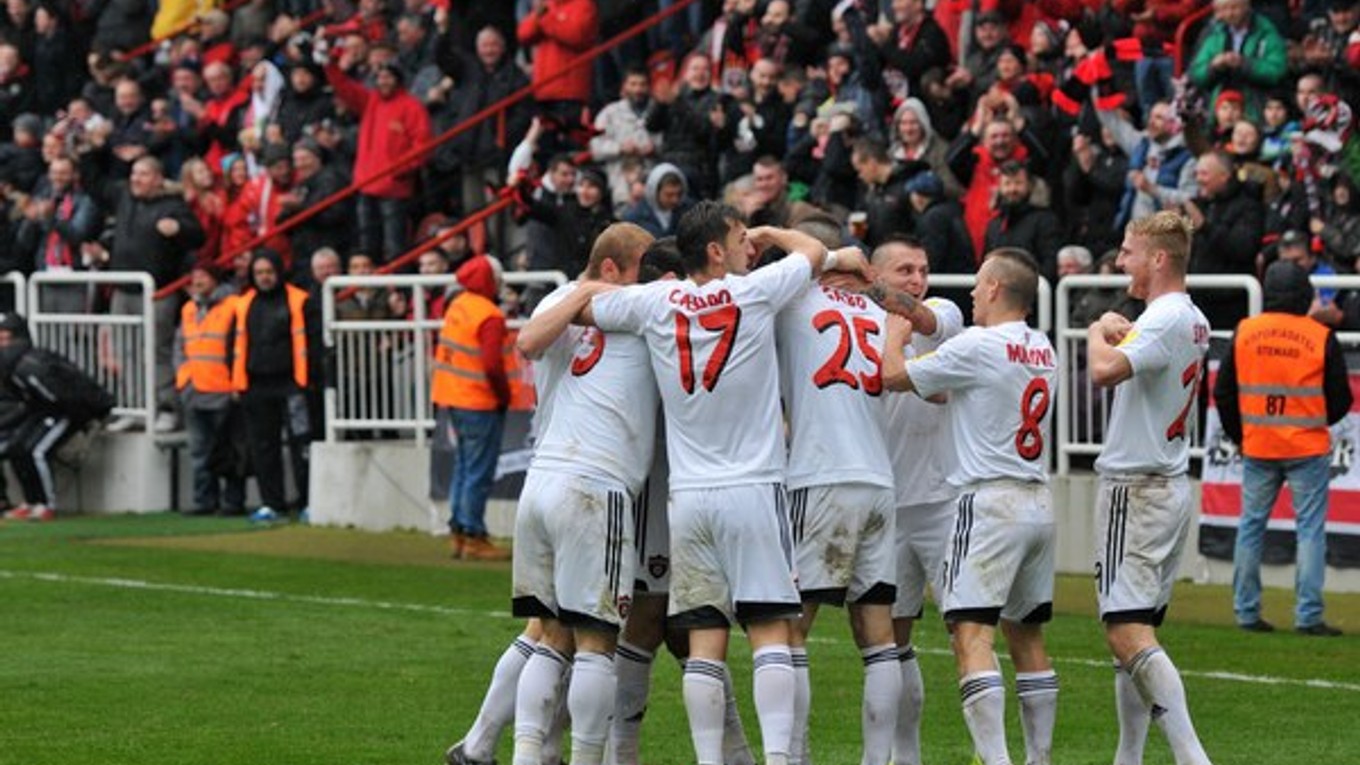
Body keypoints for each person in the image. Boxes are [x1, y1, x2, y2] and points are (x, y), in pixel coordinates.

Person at [577, 204, 871, 765]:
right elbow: (810, 253)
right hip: (755, 488)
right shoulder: (753, 292)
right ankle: (781, 760)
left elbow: (588, 306)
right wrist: (774, 231)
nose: (750, 249)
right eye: (740, 239)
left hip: (688, 498)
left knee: (704, 639)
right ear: (716, 250)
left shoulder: (653, 302)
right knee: (772, 633)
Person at [881, 248, 1059, 765]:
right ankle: (1038, 759)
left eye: (980, 285)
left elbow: (894, 375)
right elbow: (951, 395)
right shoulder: (1041, 346)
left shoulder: (980, 344)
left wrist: (896, 335)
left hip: (988, 504)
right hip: (1038, 503)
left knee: (970, 636)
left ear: (998, 288)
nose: (974, 293)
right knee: (1027, 636)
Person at [503, 223, 656, 765]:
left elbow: (528, 340)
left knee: (550, 635)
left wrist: (587, 293)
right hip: (595, 482)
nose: (650, 278)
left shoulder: (564, 299)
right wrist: (594, 293)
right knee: (596, 640)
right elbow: (524, 342)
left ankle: (521, 753)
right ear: (612, 268)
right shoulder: (641, 307)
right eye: (643, 267)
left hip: (543, 477)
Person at [1087, 211, 1213, 765]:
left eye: (1128, 252)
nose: (1121, 261)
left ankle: (1191, 757)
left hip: (1135, 489)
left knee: (1125, 631)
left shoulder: (1163, 318)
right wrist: (1126, 327)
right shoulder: (1192, 317)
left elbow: (1104, 371)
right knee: (1133, 631)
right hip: (1166, 482)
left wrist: (1096, 331)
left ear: (1158, 258)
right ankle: (1128, 756)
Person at [774, 229, 899, 765]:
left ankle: (794, 757)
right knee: (877, 635)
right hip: (878, 480)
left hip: (820, 475)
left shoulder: (795, 299)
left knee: (789, 627)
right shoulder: (878, 313)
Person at [862, 237, 965, 765]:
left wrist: (865, 281)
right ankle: (906, 756)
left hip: (943, 501)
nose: (917, 279)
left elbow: (919, 321)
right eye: (905, 270)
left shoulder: (942, 314)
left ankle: (991, 749)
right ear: (879, 272)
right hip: (886, 504)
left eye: (923, 269)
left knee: (968, 631)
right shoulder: (855, 325)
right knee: (892, 639)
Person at [1214, 260, 1351, 636]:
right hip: (1306, 446)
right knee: (1309, 530)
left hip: (1258, 445)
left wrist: (1241, 435)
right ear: (1305, 295)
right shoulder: (1320, 336)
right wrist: (1314, 420)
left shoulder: (1245, 331)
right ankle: (1308, 616)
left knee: (1251, 526)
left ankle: (1246, 612)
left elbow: (1223, 392)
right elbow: (1340, 399)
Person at [431, 254, 512, 561]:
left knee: (464, 467)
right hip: (479, 400)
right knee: (478, 470)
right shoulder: (488, 314)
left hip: (452, 397)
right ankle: (473, 535)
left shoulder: (458, 305)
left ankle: (459, 532)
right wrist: (503, 396)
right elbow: (492, 366)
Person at [0, 312, 114, 521]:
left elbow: (62, 398)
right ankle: (31, 501)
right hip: (46, 410)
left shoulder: (30, 366)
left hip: (68, 411)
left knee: (37, 451)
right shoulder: (15, 367)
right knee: (17, 447)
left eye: (4, 337)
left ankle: (47, 504)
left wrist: (85, 419)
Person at [232, 249, 316, 523]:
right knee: (262, 447)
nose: (264, 278)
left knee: (300, 445)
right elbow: (235, 344)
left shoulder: (299, 301)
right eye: (259, 273)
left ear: (279, 272)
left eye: (268, 272)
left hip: (292, 384)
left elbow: (312, 344)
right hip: (256, 384)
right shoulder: (244, 304)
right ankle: (272, 503)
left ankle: (308, 502)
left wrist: (309, 381)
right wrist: (237, 381)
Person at [175, 265, 246, 517]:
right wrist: (184, 380)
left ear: (215, 279)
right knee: (199, 451)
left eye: (203, 276)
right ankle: (204, 501)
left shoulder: (234, 306)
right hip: (195, 390)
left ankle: (232, 501)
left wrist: (237, 384)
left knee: (230, 450)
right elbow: (180, 346)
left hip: (224, 389)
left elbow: (240, 346)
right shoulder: (188, 309)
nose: (197, 282)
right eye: (194, 278)